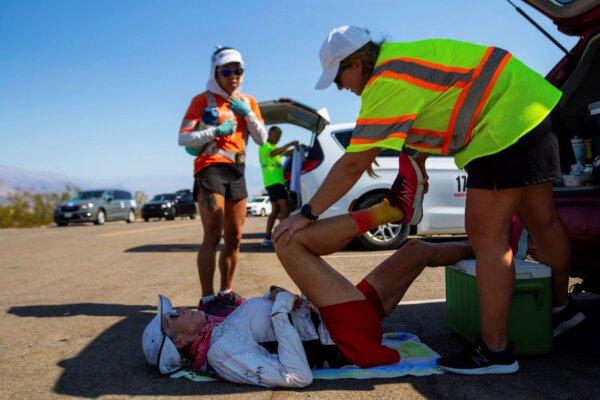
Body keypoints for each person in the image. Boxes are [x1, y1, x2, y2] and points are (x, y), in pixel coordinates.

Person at [273, 25, 585, 375]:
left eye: (338, 78)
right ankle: (562, 307)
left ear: (356, 64)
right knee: (544, 222)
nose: (342, 87)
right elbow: (440, 101)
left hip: (499, 128)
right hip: (532, 105)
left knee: (488, 240)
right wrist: (416, 159)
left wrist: (307, 212)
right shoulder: (405, 58)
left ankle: (496, 352)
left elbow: (353, 164)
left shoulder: (385, 83)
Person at [142, 201, 474, 387]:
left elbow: (265, 331)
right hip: (344, 333)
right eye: (173, 318)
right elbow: (295, 376)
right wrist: (279, 310)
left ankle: (488, 249)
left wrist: (275, 302)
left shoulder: (216, 332)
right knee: (287, 240)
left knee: (414, 251)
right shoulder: (221, 354)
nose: (180, 309)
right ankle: (386, 212)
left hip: (338, 319)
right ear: (181, 343)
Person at [178, 46, 267, 313]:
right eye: (227, 71)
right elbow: (183, 138)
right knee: (213, 233)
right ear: (215, 72)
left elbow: (262, 138)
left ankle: (226, 292)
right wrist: (215, 130)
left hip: (237, 170)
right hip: (210, 167)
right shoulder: (201, 100)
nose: (233, 76)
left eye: (238, 70)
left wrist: (247, 114)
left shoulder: (248, 101)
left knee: (235, 236)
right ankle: (207, 299)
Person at [258, 126, 298, 247]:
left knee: (275, 211)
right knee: (285, 208)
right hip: (274, 182)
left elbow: (285, 153)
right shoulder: (265, 147)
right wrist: (290, 143)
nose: (278, 139)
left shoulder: (275, 147)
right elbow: (274, 153)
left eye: (280, 137)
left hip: (274, 183)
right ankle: (281, 237)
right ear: (270, 134)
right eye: (277, 136)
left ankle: (267, 238)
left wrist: (297, 150)